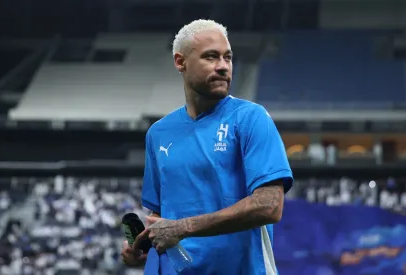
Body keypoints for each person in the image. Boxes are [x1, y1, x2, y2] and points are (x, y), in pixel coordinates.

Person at [121, 19, 293, 275]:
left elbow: (269, 205)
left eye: (228, 58)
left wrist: (182, 227)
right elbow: (160, 218)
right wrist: (143, 248)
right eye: (211, 57)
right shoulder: (158, 133)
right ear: (181, 62)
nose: (223, 66)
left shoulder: (250, 118)